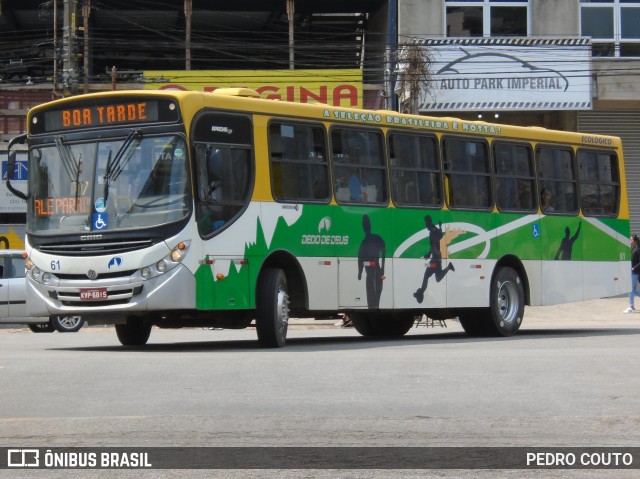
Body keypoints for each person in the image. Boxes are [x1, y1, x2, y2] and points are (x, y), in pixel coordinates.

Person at [624, 234, 640, 313]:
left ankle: (631, 306)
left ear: (635, 241)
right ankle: (632, 306)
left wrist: (633, 268)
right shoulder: (632, 249)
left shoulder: (637, 249)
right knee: (633, 290)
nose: (630, 241)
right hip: (632, 272)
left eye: (631, 240)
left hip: (635, 273)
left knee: (630, 289)